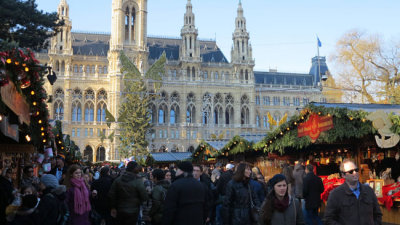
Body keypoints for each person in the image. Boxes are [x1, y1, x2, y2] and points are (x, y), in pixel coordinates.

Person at [324, 159, 382, 225]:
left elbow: (378, 214)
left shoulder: (368, 191)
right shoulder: (335, 194)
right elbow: (328, 220)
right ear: (343, 175)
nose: (355, 173)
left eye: (356, 170)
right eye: (351, 171)